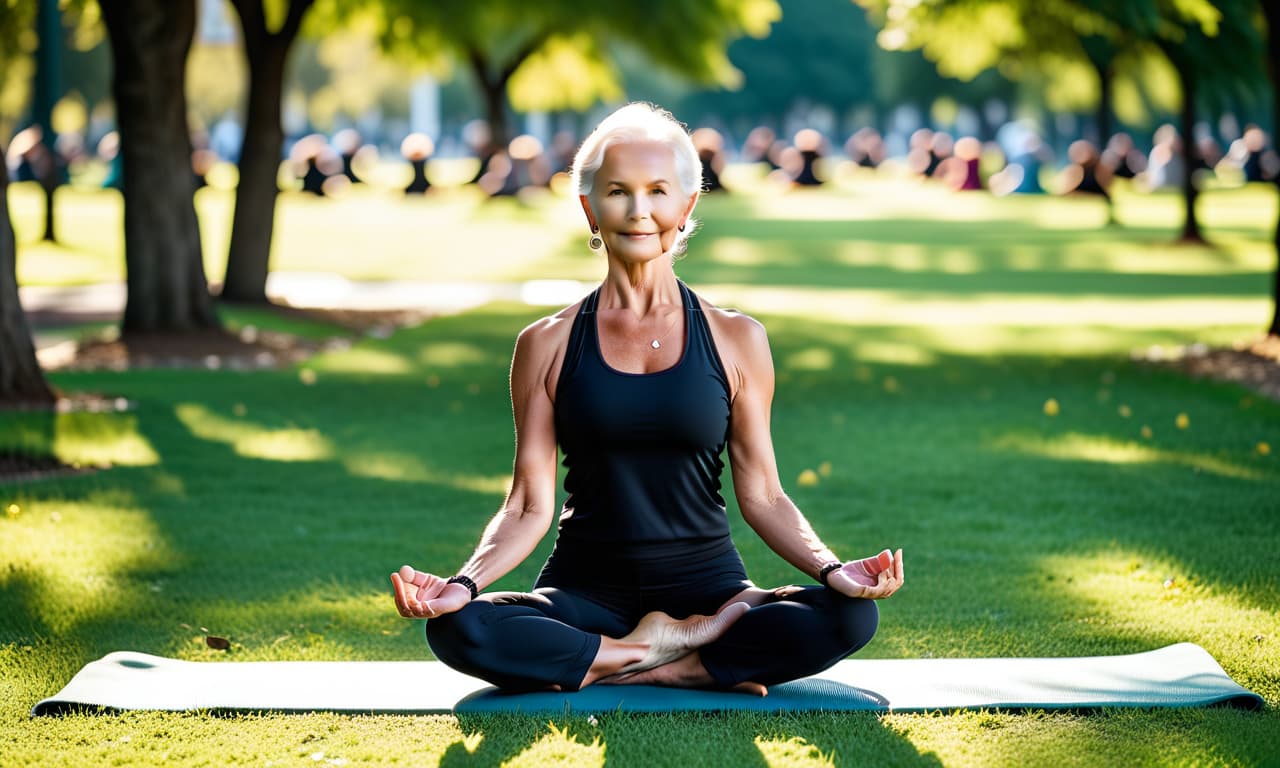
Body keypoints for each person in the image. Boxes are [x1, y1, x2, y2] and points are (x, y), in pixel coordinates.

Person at [390, 102, 905, 695]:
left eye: (658, 191)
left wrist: (832, 570)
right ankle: (661, 651)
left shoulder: (737, 338)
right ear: (589, 208)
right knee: (458, 630)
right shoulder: (547, 343)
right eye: (618, 192)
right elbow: (528, 505)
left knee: (850, 615)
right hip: (584, 592)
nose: (639, 212)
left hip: (711, 591)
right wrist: (465, 584)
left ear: (686, 207)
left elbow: (763, 494)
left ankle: (641, 662)